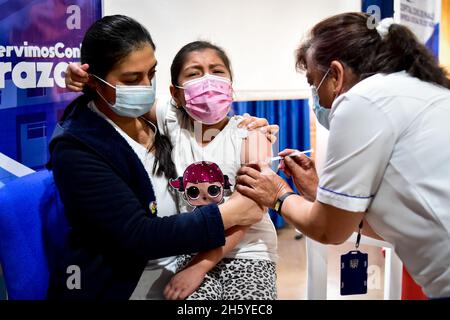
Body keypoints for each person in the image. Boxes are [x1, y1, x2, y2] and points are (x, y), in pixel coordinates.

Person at [48, 15, 267, 300]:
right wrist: (231, 213)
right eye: (132, 79)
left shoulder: (154, 119)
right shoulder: (77, 148)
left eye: (151, 73)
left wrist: (250, 129)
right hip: (126, 279)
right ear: (96, 82)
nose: (146, 86)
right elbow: (139, 236)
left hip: (185, 258)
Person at [236, 12, 450, 299]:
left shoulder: (362, 100)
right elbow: (402, 226)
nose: (317, 98)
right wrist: (317, 193)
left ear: (335, 74)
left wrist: (278, 193)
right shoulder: (423, 89)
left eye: (314, 82)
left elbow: (328, 231)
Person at [158, 41, 278, 300]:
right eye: (194, 73)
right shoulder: (173, 125)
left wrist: (200, 266)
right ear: (176, 93)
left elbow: (249, 211)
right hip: (192, 246)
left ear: (231, 86)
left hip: (249, 251)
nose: (208, 81)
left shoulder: (252, 133)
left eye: (217, 71)